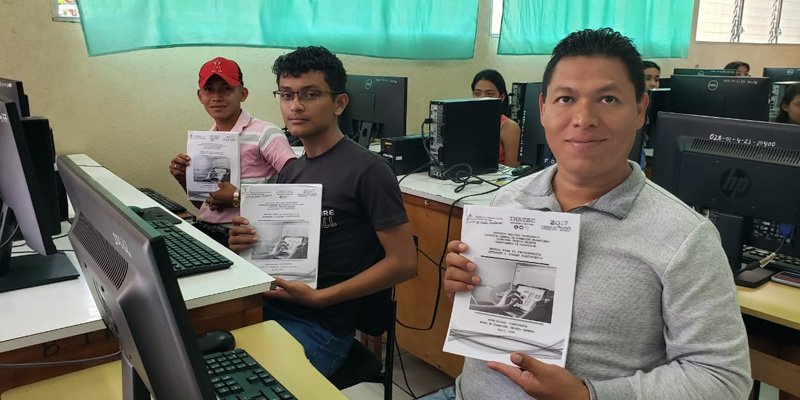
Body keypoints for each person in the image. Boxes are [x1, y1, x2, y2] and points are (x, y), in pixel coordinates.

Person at [443, 28, 751, 400]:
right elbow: (491, 317)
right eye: (565, 99)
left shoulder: (686, 237)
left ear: (640, 109)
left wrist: (589, 396)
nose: (584, 118)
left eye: (607, 98)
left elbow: (723, 379)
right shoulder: (506, 202)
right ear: (542, 109)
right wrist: (465, 290)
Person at [228, 46, 417, 377]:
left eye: (310, 94)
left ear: (339, 103)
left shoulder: (369, 170)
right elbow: (279, 250)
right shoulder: (292, 171)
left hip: (322, 326)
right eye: (286, 95)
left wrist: (323, 298)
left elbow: (403, 263)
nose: (295, 106)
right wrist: (247, 243)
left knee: (246, 384)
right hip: (269, 307)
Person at [169, 57, 297, 245]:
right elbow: (205, 206)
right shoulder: (206, 141)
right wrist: (182, 178)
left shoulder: (266, 133)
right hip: (207, 230)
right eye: (209, 90)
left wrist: (238, 198)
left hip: (244, 238)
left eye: (226, 89)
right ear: (200, 96)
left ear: (243, 93)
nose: (216, 97)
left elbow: (298, 188)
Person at [472, 69, 522, 167]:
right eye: (477, 93)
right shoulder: (466, 122)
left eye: (489, 94)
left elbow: (511, 171)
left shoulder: (509, 127)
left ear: (502, 97)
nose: (482, 98)